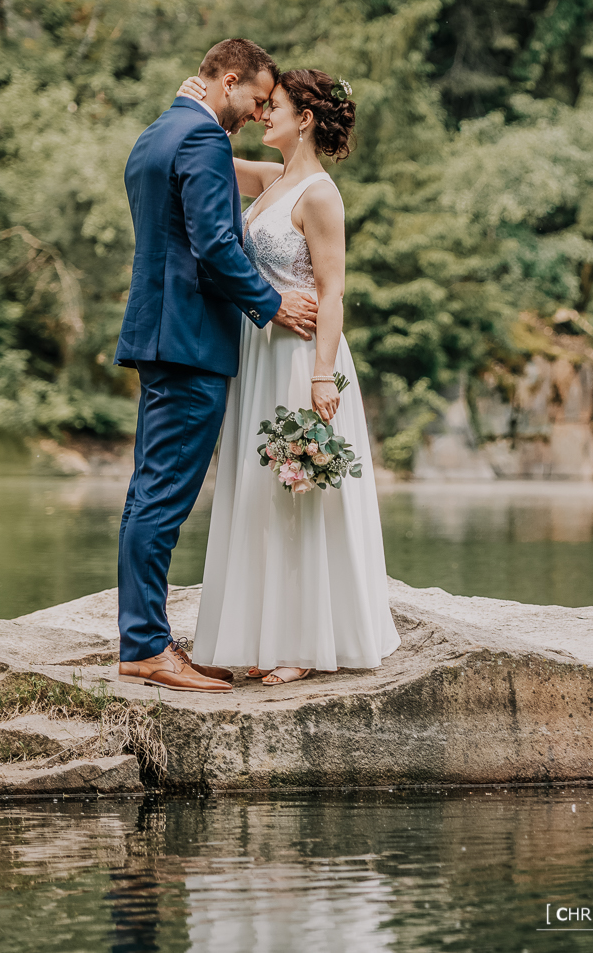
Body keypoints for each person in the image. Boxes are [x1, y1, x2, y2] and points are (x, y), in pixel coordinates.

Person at [179, 66, 400, 683]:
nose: (261, 114)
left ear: (304, 118)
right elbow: (211, 151)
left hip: (303, 357)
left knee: (299, 491)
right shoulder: (274, 180)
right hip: (259, 353)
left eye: (272, 105)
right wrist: (196, 97)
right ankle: (258, 632)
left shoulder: (322, 195)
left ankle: (302, 642)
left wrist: (323, 377)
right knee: (258, 489)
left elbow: (332, 294)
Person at [112, 38, 319, 694]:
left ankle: (143, 639)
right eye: (256, 99)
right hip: (191, 340)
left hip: (157, 333)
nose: (258, 112)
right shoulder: (201, 138)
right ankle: (146, 646)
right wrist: (272, 302)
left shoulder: (156, 132)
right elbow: (214, 244)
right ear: (228, 81)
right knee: (164, 494)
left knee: (151, 489)